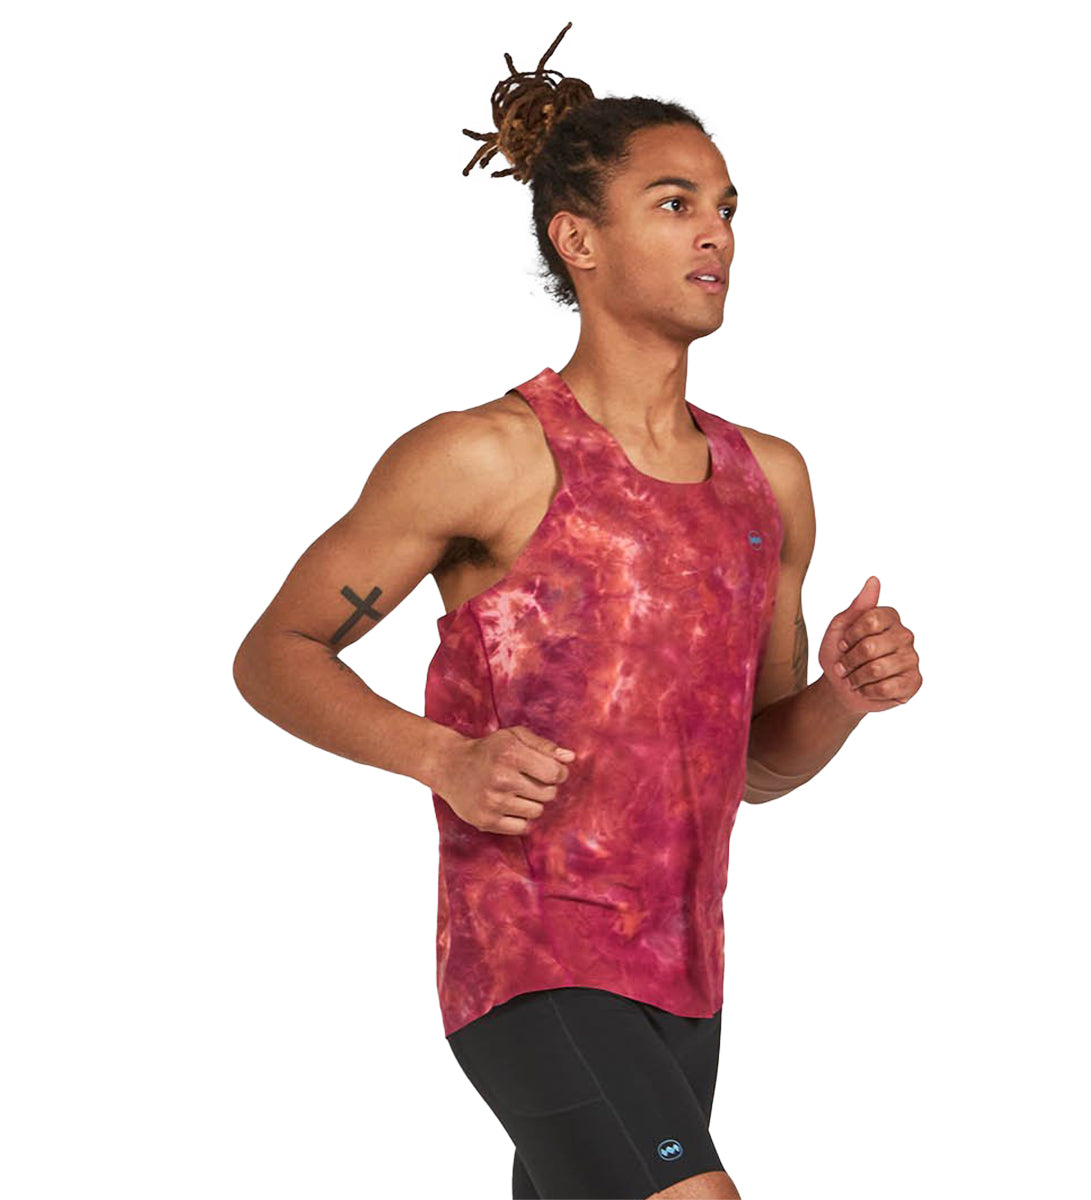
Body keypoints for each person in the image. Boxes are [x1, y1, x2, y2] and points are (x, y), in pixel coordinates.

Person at [232, 21, 922, 1200]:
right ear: (578, 238)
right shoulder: (484, 456)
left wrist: (845, 699)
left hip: (687, 976)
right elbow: (274, 653)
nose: (716, 232)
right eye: (673, 203)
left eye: (726, 206)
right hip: (533, 958)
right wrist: (442, 758)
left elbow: (758, 762)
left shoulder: (770, 482)